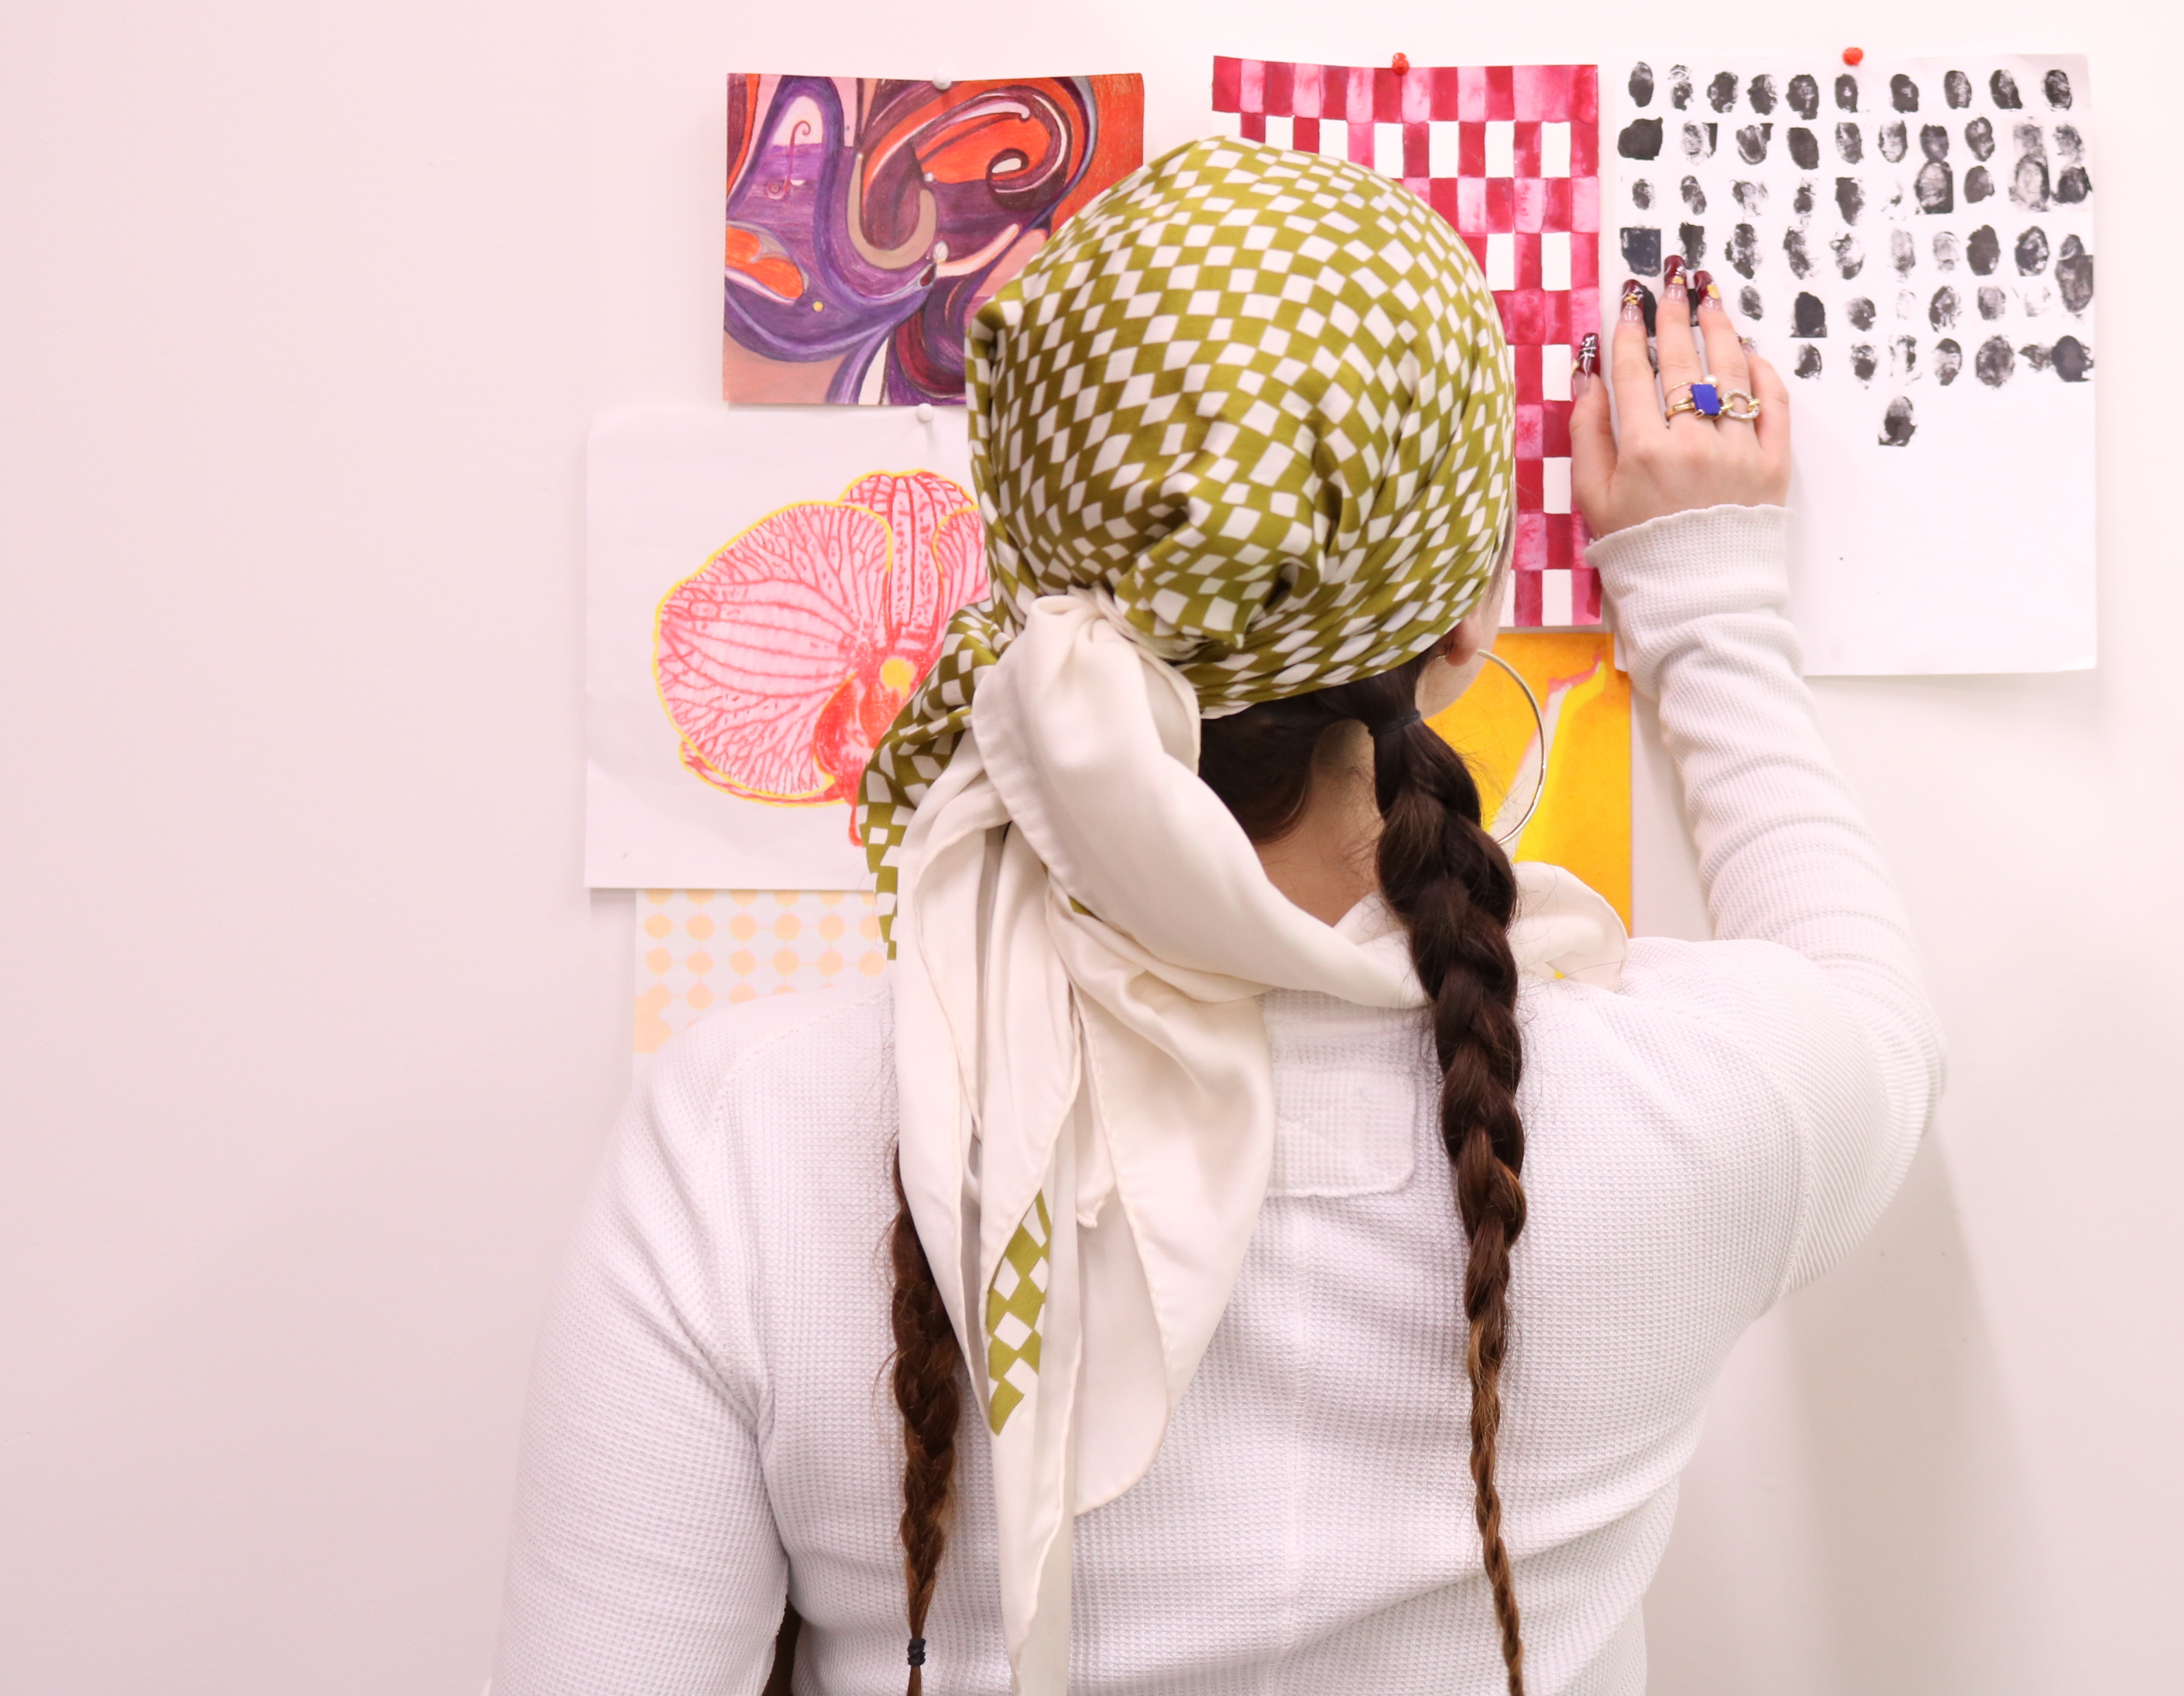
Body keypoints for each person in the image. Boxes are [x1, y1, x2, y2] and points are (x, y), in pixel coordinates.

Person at [493, 137, 1944, 1696]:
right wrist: (1705, 590)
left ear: (1029, 583)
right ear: (1466, 626)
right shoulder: (1690, 1109)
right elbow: (1879, 1019)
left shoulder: (741, 1143)